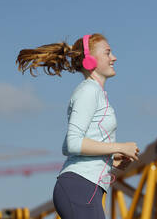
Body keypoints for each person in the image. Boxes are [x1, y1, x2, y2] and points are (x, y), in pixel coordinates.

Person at [16, 33, 140, 219]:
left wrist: (110, 159)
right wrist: (120, 146)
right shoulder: (88, 91)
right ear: (90, 60)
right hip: (80, 187)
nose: (113, 57)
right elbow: (72, 144)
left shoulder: (96, 92)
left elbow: (87, 142)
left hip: (87, 188)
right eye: (107, 53)